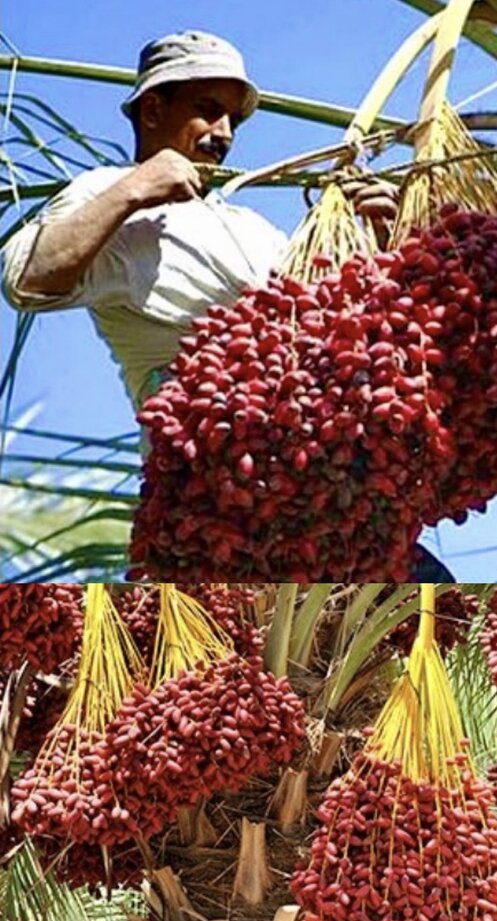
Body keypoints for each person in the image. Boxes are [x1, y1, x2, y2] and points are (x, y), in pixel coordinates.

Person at [1, 29, 454, 581]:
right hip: (225, 499)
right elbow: (26, 278)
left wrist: (384, 232)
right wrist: (137, 186)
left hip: (327, 484)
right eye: (208, 111)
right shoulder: (109, 193)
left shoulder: (251, 226)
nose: (223, 135)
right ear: (151, 110)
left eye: (233, 123)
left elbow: (349, 332)